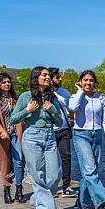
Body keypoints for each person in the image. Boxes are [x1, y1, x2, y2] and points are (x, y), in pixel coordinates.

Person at [10, 67, 63, 209]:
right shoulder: (26, 96)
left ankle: (36, 199)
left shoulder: (51, 97)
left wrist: (51, 109)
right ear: (36, 77)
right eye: (44, 75)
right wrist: (28, 110)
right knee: (37, 175)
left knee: (55, 174)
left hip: (50, 136)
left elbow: (60, 122)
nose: (48, 78)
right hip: (32, 136)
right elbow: (13, 118)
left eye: (48, 75)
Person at [68, 70, 105, 209]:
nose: (88, 83)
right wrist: (79, 91)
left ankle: (81, 203)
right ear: (80, 82)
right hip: (81, 134)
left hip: (97, 135)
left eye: (91, 80)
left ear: (95, 83)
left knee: (90, 171)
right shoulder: (76, 97)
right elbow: (72, 108)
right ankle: (100, 202)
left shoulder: (100, 98)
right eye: (85, 80)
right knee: (89, 169)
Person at [0, 72, 25, 204]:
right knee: (4, 163)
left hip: (15, 133)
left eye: (8, 82)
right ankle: (7, 189)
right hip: (2, 136)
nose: (7, 84)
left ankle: (19, 190)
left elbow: (21, 113)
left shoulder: (15, 97)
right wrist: (0, 131)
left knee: (18, 160)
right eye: (4, 82)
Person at [48, 67, 77, 199]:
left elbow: (71, 110)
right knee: (50, 160)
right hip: (50, 130)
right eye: (57, 77)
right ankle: (51, 187)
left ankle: (66, 187)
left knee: (66, 157)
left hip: (64, 129)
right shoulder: (44, 93)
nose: (60, 79)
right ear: (51, 79)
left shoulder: (64, 92)